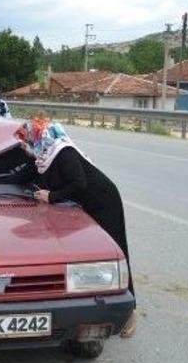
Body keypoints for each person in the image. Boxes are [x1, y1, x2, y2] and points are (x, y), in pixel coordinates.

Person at [15, 119, 134, 298]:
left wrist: (52, 196)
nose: (25, 148)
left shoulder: (63, 152)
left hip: (103, 200)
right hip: (85, 202)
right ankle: (95, 288)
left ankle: (126, 295)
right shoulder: (43, 157)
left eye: (26, 143)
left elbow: (79, 184)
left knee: (113, 247)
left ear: (38, 138)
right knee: (92, 250)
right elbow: (20, 176)